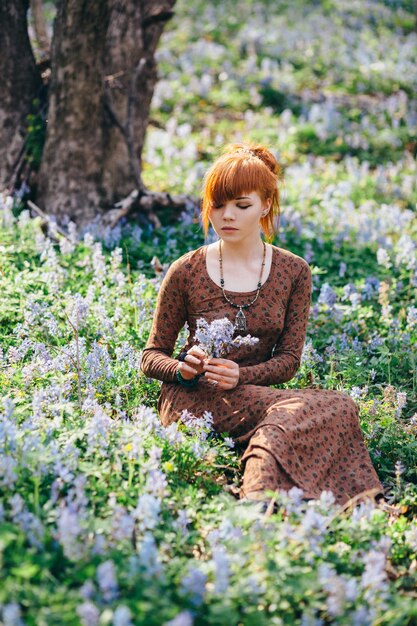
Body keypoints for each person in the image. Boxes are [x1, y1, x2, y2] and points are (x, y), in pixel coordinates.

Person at [140, 142, 386, 509]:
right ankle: (262, 495)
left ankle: (267, 495)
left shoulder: (293, 272)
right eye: (218, 205)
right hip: (193, 398)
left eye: (242, 206)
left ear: (266, 205)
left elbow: (289, 361)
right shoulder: (186, 270)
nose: (227, 216)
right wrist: (182, 370)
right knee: (290, 413)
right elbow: (150, 356)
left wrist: (242, 375)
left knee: (341, 406)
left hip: (253, 393)